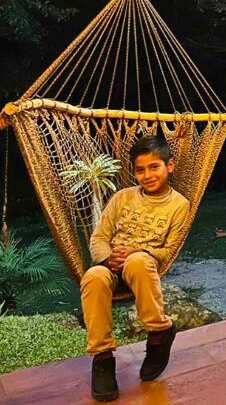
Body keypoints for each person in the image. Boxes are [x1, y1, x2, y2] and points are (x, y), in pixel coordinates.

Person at [80, 135, 189, 401]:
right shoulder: (121, 198)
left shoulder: (179, 205)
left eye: (154, 167)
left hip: (143, 267)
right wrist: (107, 260)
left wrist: (138, 252)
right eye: (140, 169)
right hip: (111, 267)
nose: (147, 175)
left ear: (169, 166)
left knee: (138, 261)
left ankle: (158, 332)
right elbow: (99, 238)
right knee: (93, 276)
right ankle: (103, 357)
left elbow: (169, 250)